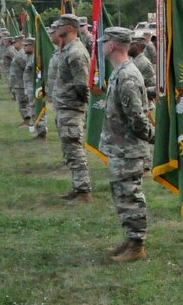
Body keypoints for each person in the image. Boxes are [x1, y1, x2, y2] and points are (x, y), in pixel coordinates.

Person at [99, 27, 155, 262]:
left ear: (112, 45)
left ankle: (137, 245)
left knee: (130, 196)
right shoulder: (119, 72)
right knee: (122, 196)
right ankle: (130, 238)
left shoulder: (128, 75)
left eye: (104, 42)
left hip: (129, 148)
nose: (101, 45)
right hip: (120, 146)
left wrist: (153, 139)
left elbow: (137, 118)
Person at [53, 14, 92, 202]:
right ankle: (78, 187)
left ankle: (83, 191)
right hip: (64, 106)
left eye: (59, 25)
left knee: (74, 149)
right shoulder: (65, 49)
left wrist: (79, 104)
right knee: (69, 149)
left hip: (72, 107)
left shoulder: (76, 52)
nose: (56, 28)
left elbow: (82, 84)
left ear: (69, 28)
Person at [21, 37, 46, 139]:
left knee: (37, 108)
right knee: (33, 109)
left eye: (26, 45)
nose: (24, 47)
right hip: (30, 88)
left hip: (35, 88)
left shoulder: (36, 58)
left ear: (33, 46)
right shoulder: (30, 57)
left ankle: (41, 130)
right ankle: (38, 129)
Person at [9, 37, 32, 127]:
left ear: (20, 42)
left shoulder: (22, 54)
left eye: (15, 42)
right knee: (21, 104)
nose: (13, 44)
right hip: (18, 83)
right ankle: (26, 120)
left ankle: (27, 121)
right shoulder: (20, 53)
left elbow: (26, 69)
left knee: (23, 104)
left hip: (21, 84)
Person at [128, 31, 157, 102]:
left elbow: (153, 87)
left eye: (131, 44)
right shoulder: (132, 60)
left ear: (139, 46)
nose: (128, 47)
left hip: (142, 104)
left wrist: (137, 90)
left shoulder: (144, 63)